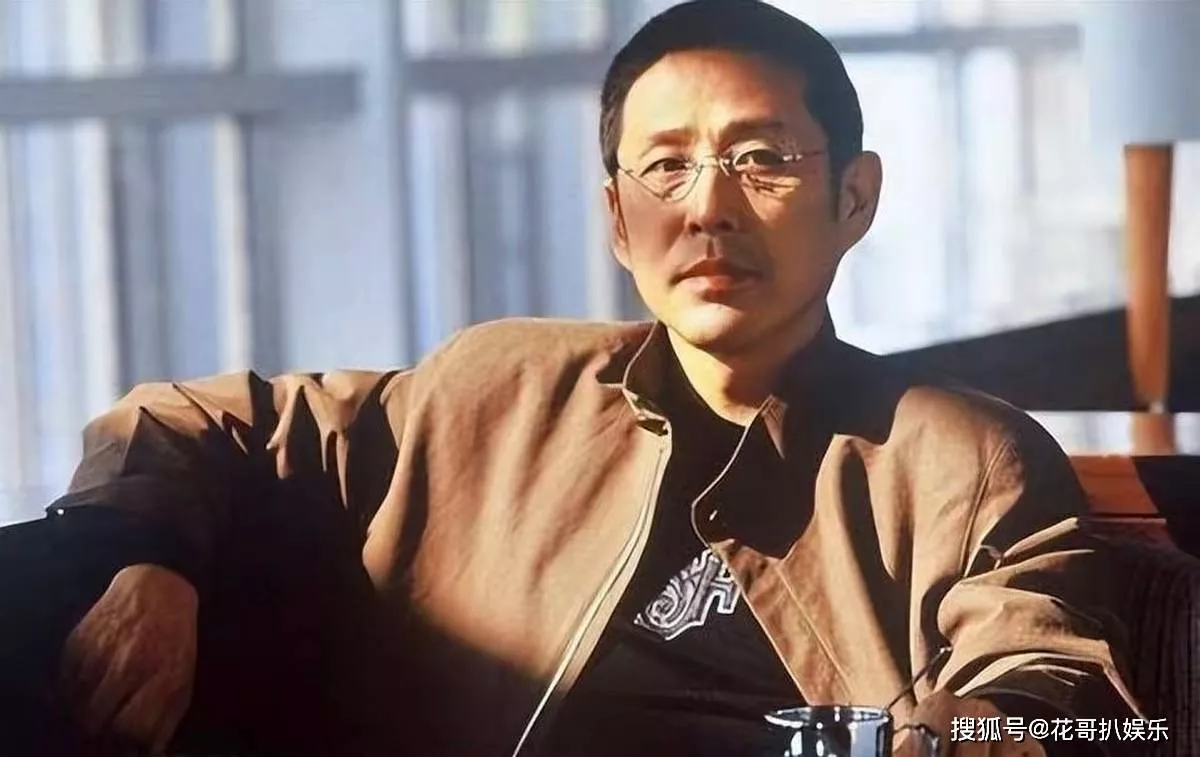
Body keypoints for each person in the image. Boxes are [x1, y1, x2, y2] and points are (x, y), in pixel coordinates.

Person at [31, 1, 1141, 755]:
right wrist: (149, 559)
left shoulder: (958, 459)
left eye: (762, 159)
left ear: (853, 197)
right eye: (666, 167)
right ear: (618, 217)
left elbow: (1052, 684)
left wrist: (975, 730)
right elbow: (178, 420)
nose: (707, 208)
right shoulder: (495, 391)